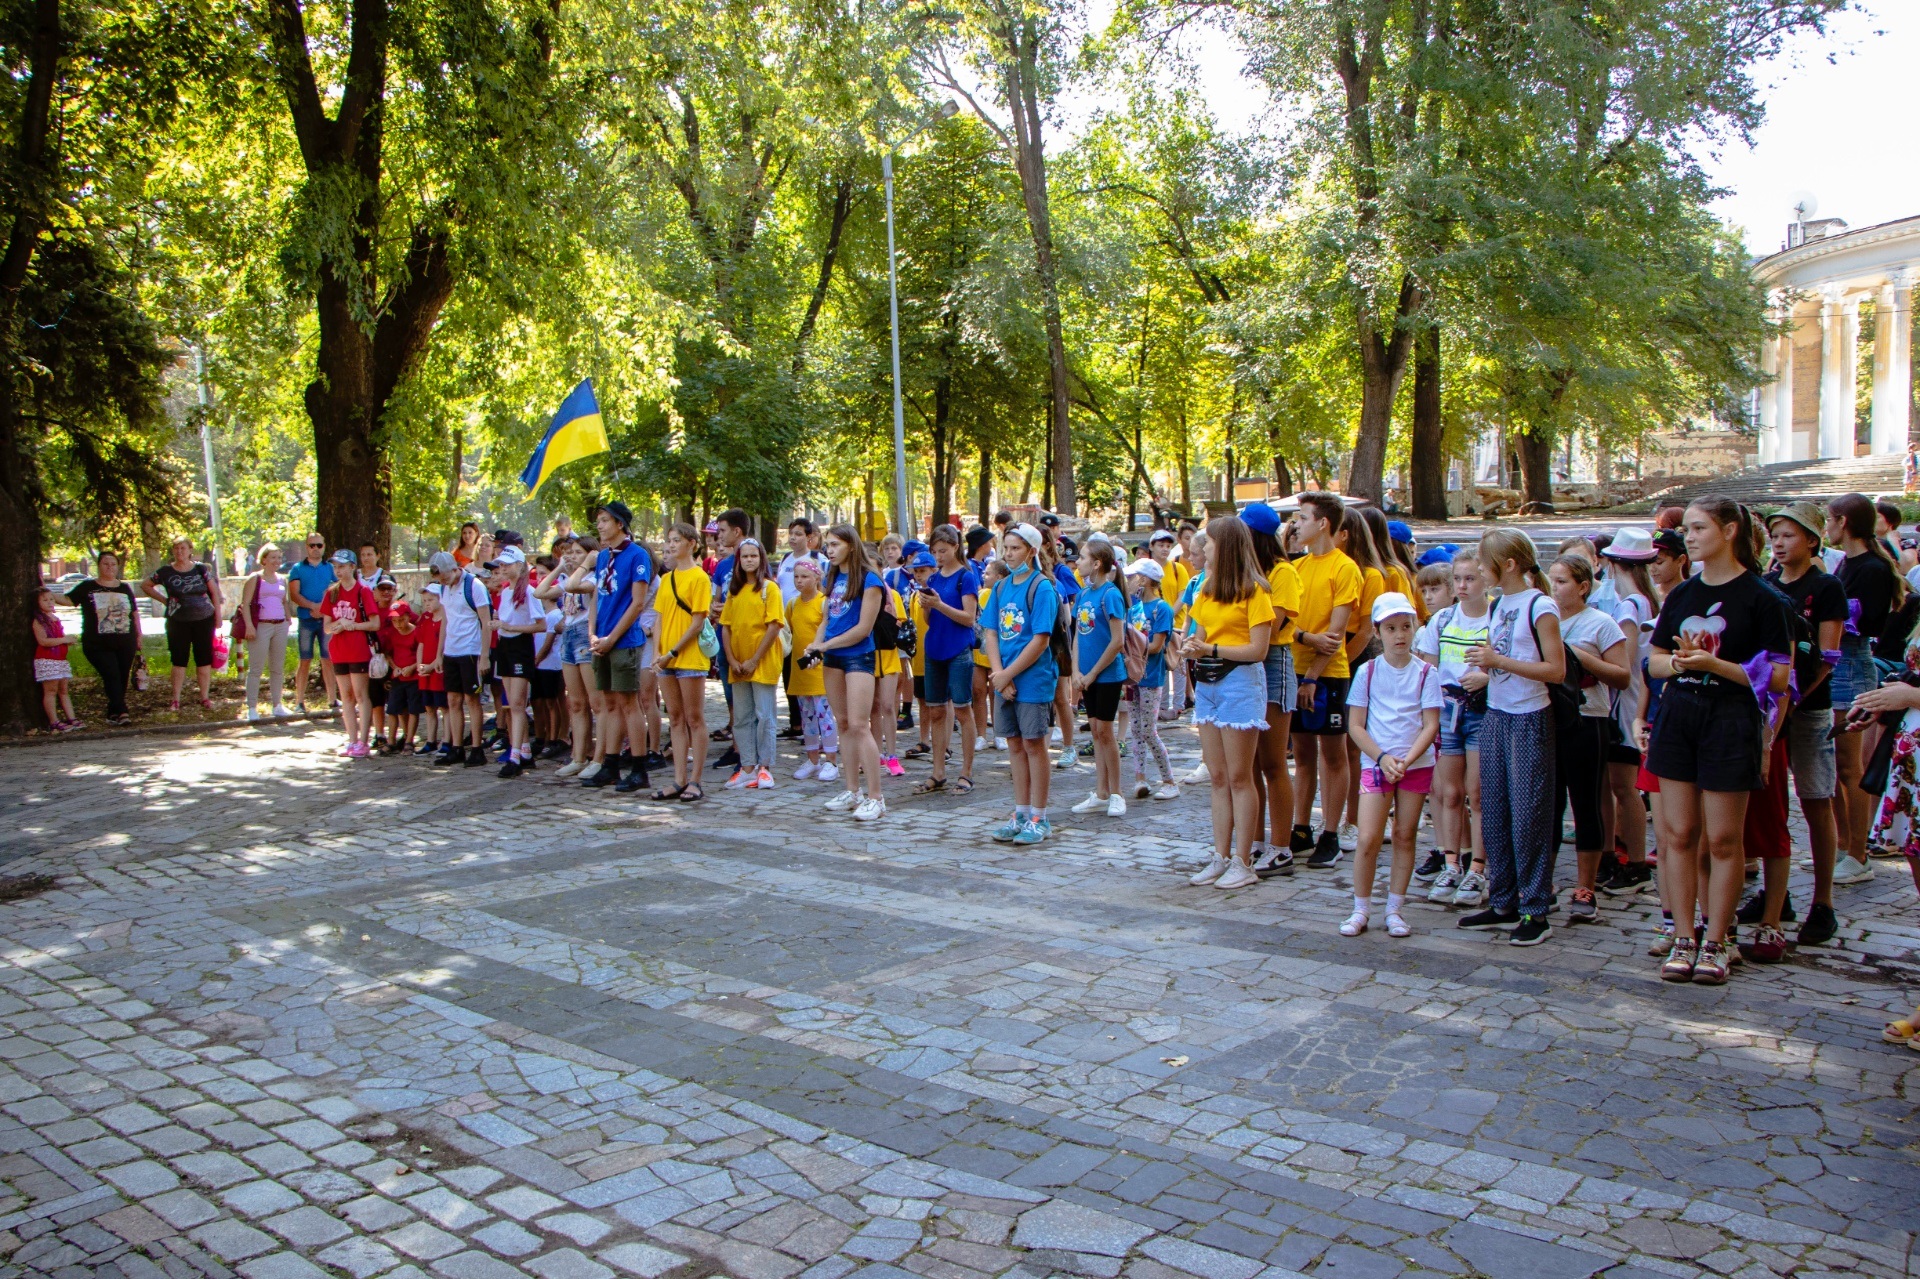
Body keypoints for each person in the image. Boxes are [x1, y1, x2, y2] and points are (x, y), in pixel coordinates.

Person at [1646, 499, 1791, 986]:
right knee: (1679, 834)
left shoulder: (1763, 598)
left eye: (1699, 528)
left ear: (1729, 531)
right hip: (1679, 716)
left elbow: (1779, 677)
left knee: (1724, 839)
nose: (1689, 537)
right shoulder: (1682, 595)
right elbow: (1655, 660)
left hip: (1731, 720)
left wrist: (1715, 666)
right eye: (1686, 528)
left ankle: (1717, 941)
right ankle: (1683, 937)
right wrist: (1679, 664)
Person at [1460, 528, 1565, 947]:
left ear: (1508, 564)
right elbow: (1499, 655)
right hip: (1498, 713)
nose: (1479, 569)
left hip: (1529, 717)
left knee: (1528, 815)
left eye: (1483, 562)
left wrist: (1497, 661)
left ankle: (1535, 908)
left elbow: (1555, 669)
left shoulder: (1540, 606)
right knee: (1495, 810)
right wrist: (1484, 667)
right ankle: (1502, 899)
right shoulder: (1499, 603)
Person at [1763, 503, 1847, 949]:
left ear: (1812, 541)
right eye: (1775, 535)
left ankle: (1823, 901)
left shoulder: (1825, 586)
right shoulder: (1768, 583)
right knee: (1771, 801)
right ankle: (1775, 896)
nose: (1779, 543)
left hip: (1808, 708)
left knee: (1816, 799)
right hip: (1771, 710)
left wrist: (1793, 702)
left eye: (1788, 535)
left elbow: (1827, 658)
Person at [1182, 517, 1275, 890]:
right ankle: (1220, 856)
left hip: (1240, 684)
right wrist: (1191, 647)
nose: (1203, 548)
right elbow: (1200, 635)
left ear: (1225, 546)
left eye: (1208, 542)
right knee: (1218, 776)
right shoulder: (1206, 590)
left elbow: (1258, 649)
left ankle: (1243, 860)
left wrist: (1210, 648)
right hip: (1208, 683)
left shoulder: (1255, 591)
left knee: (1239, 776)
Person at [1343, 591, 1442, 936]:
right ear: (1377, 631)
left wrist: (1407, 760)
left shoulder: (1426, 673)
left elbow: (1430, 724)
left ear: (1415, 628)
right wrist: (1383, 758)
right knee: (1369, 837)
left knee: (1404, 834)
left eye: (1406, 626)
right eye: (1391, 628)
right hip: (1377, 765)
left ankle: (1395, 908)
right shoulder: (1368, 672)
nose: (1400, 635)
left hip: (1416, 765)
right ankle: (1361, 908)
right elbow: (1356, 725)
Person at [1548, 554, 1632, 927]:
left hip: (1588, 719)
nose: (1554, 589)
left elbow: (1622, 676)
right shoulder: (1544, 619)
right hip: (1547, 719)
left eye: (1562, 581)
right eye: (1551, 580)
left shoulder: (1601, 624)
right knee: (1548, 804)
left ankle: (1586, 887)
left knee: (1585, 803)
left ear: (1583, 586)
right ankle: (1542, 881)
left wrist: (1580, 657)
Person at [1828, 492, 1903, 885]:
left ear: (1843, 522)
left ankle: (1858, 852)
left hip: (1853, 663)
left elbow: (1869, 622)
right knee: (1834, 766)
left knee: (1848, 765)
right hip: (1837, 662)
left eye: (1830, 520)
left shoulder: (1871, 566)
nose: (1827, 527)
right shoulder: (1848, 562)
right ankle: (1843, 845)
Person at [1289, 494, 1362, 868]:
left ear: (1323, 523)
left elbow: (1335, 636)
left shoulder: (1345, 568)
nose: (1296, 525)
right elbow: (1284, 624)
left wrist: (1312, 678)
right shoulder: (1297, 567)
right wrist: (1305, 638)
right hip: (1294, 669)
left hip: (1328, 676)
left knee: (1333, 755)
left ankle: (1331, 833)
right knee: (1302, 755)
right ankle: (1301, 828)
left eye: (1302, 518)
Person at [1417, 550, 1491, 908]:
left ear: (1486, 580)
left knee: (1477, 793)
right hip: (1448, 711)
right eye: (1458, 579)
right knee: (1448, 792)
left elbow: (1506, 663)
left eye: (1470, 579)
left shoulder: (1496, 618)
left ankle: (1479, 868)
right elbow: (1428, 670)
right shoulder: (1443, 620)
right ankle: (1451, 862)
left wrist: (1487, 677)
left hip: (1481, 711)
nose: (1462, 586)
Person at [984, 524, 1061, 844]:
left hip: (1033, 679)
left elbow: (1041, 640)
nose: (1009, 554)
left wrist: (1009, 674)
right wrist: (1000, 674)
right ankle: (1020, 812)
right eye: (1006, 548)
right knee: (1014, 745)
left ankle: (1039, 817)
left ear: (1031, 551)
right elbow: (990, 632)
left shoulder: (1041, 588)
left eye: (1015, 548)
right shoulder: (1001, 587)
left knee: (1034, 745)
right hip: (1005, 678)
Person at [1597, 528, 1661, 897]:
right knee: (1616, 786)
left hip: (1623, 708)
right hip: (1630, 704)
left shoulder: (1630, 606)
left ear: (1613, 564)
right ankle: (1616, 855)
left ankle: (1635, 863)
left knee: (1623, 787)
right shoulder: (1645, 601)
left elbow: (1624, 657)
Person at [809, 523, 888, 821]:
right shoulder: (832, 577)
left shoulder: (870, 579)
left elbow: (863, 629)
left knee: (858, 724)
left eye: (835, 545)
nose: (829, 550)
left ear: (851, 546)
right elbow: (826, 619)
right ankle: (852, 790)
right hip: (833, 658)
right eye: (827, 545)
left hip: (858, 657)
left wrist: (825, 645)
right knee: (842, 723)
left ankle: (876, 797)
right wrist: (815, 646)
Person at [1240, 502, 1301, 876]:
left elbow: (1271, 626)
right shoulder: (1249, 573)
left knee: (1274, 762)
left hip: (1274, 663)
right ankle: (1257, 840)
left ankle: (1282, 847)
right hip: (1246, 666)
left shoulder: (1283, 572)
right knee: (1250, 763)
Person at [582, 503, 653, 792]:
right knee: (609, 703)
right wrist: (592, 633)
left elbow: (638, 603)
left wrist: (612, 637)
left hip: (624, 641)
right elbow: (597, 598)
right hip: (602, 640)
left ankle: (639, 768)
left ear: (620, 524)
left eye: (604, 520)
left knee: (628, 703)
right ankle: (609, 765)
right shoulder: (603, 556)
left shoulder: (637, 555)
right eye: (598, 520)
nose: (599, 526)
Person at [1336, 508, 1391, 852]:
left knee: (1356, 745)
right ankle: (1342, 814)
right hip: (1338, 657)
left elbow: (1367, 629)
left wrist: (1343, 661)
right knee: (1340, 746)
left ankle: (1355, 818)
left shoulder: (1371, 575)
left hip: (1356, 657)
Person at [915, 527, 980, 796]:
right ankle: (938, 771)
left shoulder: (966, 577)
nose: (938, 556)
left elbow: (969, 618)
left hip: (958, 649)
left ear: (955, 547)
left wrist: (939, 605)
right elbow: (931, 620)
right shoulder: (934, 578)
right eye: (934, 551)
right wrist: (927, 606)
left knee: (963, 710)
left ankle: (966, 772)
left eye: (943, 550)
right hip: (935, 648)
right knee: (936, 711)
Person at [653, 522, 715, 802]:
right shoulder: (667, 579)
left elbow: (697, 621)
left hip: (688, 657)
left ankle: (696, 780)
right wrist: (657, 652)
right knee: (675, 718)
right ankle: (678, 779)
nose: (671, 545)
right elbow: (659, 618)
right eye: (669, 540)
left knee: (694, 718)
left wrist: (673, 652)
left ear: (692, 544)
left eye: (677, 540)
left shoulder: (700, 578)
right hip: (665, 659)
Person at [1067, 541, 1129, 817]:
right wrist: (1076, 671)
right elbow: (1078, 636)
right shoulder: (1083, 594)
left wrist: (1092, 673)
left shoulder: (1110, 595)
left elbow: (1117, 641)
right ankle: (1101, 791)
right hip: (1087, 676)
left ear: (1096, 564)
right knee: (1095, 731)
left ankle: (1116, 792)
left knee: (1105, 731)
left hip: (1107, 676)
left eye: (1082, 558)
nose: (1077, 562)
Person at [719, 538, 786, 790]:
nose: (749, 560)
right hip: (738, 664)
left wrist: (755, 659)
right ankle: (747, 766)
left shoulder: (770, 589)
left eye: (753, 556)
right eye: (745, 556)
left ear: (761, 559)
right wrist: (732, 659)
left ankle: (764, 766)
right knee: (742, 717)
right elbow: (726, 627)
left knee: (764, 715)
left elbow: (774, 626)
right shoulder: (734, 591)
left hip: (763, 662)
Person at [142, 538, 224, 713]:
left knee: (203, 659)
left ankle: (205, 697)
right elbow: (145, 585)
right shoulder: (165, 571)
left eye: (183, 548)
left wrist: (218, 616)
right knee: (179, 660)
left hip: (204, 620)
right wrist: (164, 600)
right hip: (177, 621)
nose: (179, 551)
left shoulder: (201, 569)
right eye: (176, 548)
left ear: (190, 550)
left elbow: (214, 592)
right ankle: (176, 699)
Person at [427, 548, 492, 767]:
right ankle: (456, 748)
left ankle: (476, 748)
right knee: (453, 700)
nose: (443, 582)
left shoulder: (474, 586)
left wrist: (484, 656)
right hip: (451, 651)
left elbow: (486, 622)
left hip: (470, 650)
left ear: (455, 569)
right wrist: (439, 654)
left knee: (471, 699)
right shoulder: (444, 588)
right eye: (439, 579)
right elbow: (446, 621)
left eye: (445, 577)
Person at [541, 536, 599, 777]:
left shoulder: (593, 577)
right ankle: (578, 757)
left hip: (585, 635)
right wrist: (558, 568)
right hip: (569, 635)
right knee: (575, 702)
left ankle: (599, 757)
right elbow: (540, 592)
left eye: (577, 552)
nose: (571, 556)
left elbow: (576, 587)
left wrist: (584, 565)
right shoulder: (567, 578)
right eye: (570, 552)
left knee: (595, 702)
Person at [66, 550, 141, 726]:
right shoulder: (87, 587)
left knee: (121, 677)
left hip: (125, 641)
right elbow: (68, 600)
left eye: (113, 564)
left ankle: (113, 713)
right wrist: (46, 594)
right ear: (99, 566)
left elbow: (134, 613)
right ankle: (122, 712)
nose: (109, 567)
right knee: (111, 674)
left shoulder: (124, 588)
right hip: (97, 644)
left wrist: (139, 635)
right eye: (105, 564)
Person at [485, 547, 541, 776]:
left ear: (519, 565)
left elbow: (540, 625)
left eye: (507, 564)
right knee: (511, 703)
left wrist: (510, 626)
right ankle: (524, 751)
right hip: (505, 646)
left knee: (517, 704)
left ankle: (515, 755)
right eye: (501, 565)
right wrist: (499, 623)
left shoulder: (529, 591)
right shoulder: (506, 592)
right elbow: (506, 620)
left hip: (520, 647)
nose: (503, 568)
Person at [1125, 559, 1177, 800]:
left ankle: (1169, 780)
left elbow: (1157, 646)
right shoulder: (1133, 608)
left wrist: (1132, 645)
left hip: (1151, 676)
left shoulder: (1162, 609)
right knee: (1136, 729)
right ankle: (1140, 778)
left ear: (1144, 580)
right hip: (1132, 677)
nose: (1129, 581)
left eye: (1133, 577)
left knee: (1148, 730)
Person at [319, 549, 380, 757]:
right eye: (335, 567)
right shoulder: (331, 593)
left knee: (361, 694)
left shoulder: (363, 591)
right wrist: (337, 625)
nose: (338, 570)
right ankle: (352, 740)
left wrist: (352, 625)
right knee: (346, 696)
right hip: (339, 650)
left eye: (342, 566)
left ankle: (363, 741)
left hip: (358, 650)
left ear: (353, 567)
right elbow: (327, 626)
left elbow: (374, 623)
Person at [785, 559, 839, 782]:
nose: (799, 581)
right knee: (807, 716)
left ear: (817, 578)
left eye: (804, 576)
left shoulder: (823, 602)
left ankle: (831, 761)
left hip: (820, 670)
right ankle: (812, 759)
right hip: (801, 671)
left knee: (824, 715)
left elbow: (830, 632)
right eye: (796, 577)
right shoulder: (793, 604)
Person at [236, 544, 293, 721]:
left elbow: (284, 601)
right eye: (273, 557)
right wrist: (249, 626)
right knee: (256, 668)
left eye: (279, 557)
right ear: (264, 559)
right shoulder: (255, 578)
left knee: (277, 668)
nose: (277, 561)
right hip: (261, 626)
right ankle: (252, 707)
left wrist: (288, 618)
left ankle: (277, 705)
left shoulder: (282, 579)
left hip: (280, 625)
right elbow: (245, 604)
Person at [286, 534, 337, 713]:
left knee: (328, 659)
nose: (315, 548)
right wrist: (313, 606)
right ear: (306, 547)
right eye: (312, 545)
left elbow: (337, 590)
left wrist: (323, 609)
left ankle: (333, 699)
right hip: (306, 620)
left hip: (326, 621)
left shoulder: (331, 568)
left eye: (319, 545)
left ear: (324, 546)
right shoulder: (297, 569)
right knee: (305, 659)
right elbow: (294, 594)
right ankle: (299, 701)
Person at [382, 581, 423, 755]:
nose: (398, 624)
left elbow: (422, 653)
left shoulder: (416, 632)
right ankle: (391, 740)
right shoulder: (392, 633)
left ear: (408, 617)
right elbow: (387, 653)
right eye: (395, 621)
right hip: (398, 677)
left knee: (413, 709)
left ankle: (409, 740)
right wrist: (395, 667)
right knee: (393, 709)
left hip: (413, 677)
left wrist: (413, 667)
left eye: (401, 620)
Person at [31, 586, 79, 730]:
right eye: (45, 600)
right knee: (50, 691)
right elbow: (43, 641)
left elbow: (59, 637)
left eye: (51, 599)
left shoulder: (55, 619)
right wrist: (63, 640)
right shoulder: (39, 621)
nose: (50, 602)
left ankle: (72, 718)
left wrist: (68, 641)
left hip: (60, 659)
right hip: (48, 660)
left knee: (63, 690)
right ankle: (54, 721)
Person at [411, 586, 445, 754]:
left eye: (431, 600)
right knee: (429, 707)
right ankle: (430, 741)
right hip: (425, 671)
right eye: (424, 601)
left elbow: (445, 647)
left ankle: (447, 740)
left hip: (439, 670)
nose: (427, 604)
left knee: (444, 707)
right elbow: (421, 643)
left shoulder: (446, 618)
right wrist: (419, 665)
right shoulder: (425, 618)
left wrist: (431, 666)